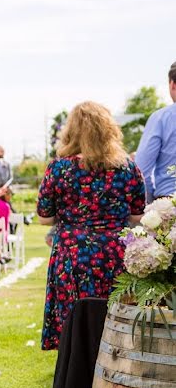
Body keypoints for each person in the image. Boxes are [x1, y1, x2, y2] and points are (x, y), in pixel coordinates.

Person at [37, 101, 145, 350]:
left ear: (71, 131)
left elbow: (44, 217)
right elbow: (138, 214)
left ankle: (73, 381)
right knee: (115, 323)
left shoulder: (59, 168)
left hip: (73, 256)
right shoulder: (127, 168)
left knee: (74, 324)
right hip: (114, 255)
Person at [135, 61, 176, 201]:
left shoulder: (161, 118)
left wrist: (153, 203)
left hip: (170, 205)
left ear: (173, 84)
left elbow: (141, 171)